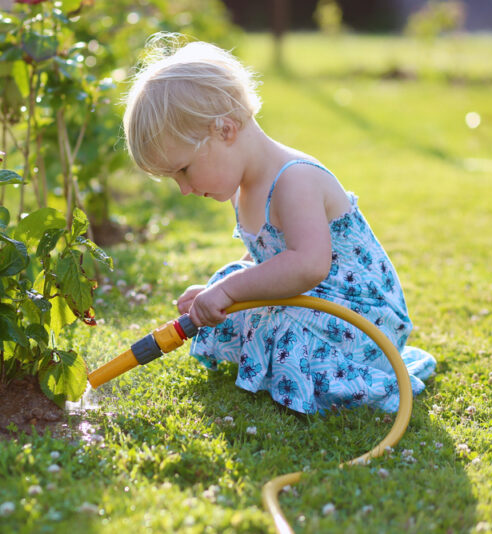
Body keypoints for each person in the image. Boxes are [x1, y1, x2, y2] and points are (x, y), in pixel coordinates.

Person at [122, 35, 436, 414]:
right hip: (314, 298)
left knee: (275, 324)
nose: (185, 189)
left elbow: (307, 265)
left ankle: (345, 373)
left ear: (225, 130)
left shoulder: (294, 180)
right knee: (233, 287)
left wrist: (228, 291)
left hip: (357, 316)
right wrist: (219, 289)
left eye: (184, 171)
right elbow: (266, 259)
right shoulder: (244, 187)